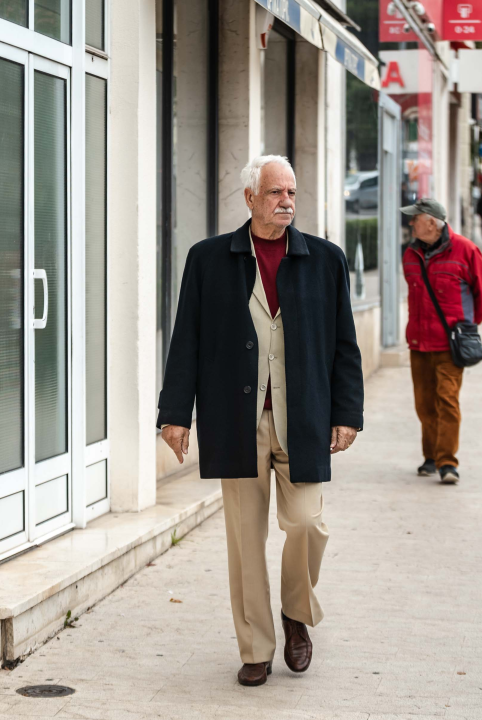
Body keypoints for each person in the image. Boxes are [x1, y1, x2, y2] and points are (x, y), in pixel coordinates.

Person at [157, 155, 364, 687]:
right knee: (246, 541)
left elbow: (345, 344)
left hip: (305, 419)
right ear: (250, 198)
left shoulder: (325, 259)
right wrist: (176, 414)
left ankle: (296, 613)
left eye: (291, 192)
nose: (287, 202)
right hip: (236, 421)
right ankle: (255, 647)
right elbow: (187, 340)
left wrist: (348, 412)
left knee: (307, 523)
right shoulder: (208, 260)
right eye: (275, 193)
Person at [401, 199, 482, 484]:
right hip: (418, 342)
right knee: (424, 404)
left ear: (431, 222)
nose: (411, 223)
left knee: (447, 401)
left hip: (450, 344)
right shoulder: (411, 254)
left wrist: (467, 327)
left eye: (415, 219)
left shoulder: (465, 250)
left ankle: (447, 463)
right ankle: (430, 456)